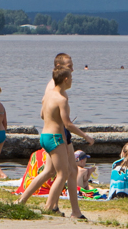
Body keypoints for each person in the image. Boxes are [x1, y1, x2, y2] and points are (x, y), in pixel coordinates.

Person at [16, 65, 93, 218]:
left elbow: (42, 115)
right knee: (63, 174)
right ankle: (50, 206)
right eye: (71, 78)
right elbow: (68, 124)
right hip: (55, 138)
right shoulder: (62, 99)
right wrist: (86, 136)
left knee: (49, 172)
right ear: (65, 80)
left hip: (44, 136)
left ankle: (21, 200)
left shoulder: (47, 95)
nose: (72, 81)